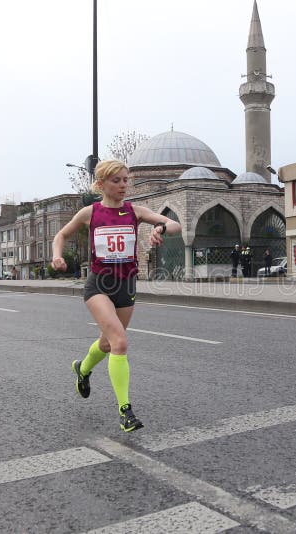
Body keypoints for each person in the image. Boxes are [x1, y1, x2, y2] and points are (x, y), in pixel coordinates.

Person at [51, 159, 180, 432]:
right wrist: (57, 256)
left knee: (108, 344)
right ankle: (125, 411)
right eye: (116, 181)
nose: (123, 185)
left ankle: (83, 369)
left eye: (125, 180)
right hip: (99, 285)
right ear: (101, 184)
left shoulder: (135, 211)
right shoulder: (90, 213)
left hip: (127, 285)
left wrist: (160, 228)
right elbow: (60, 235)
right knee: (120, 342)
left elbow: (174, 223)